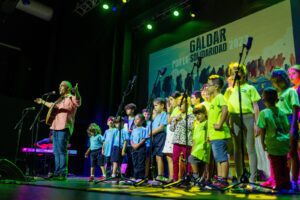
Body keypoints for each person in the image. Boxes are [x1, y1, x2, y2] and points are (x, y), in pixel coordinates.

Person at [34, 81, 81, 181]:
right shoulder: (60, 99)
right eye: (59, 86)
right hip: (55, 127)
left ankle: (63, 173)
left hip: (64, 127)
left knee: (62, 151)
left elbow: (78, 101)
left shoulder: (71, 97)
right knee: (56, 151)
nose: (59, 88)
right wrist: (42, 101)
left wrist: (76, 92)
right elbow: (52, 105)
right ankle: (57, 172)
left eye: (61, 86)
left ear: (67, 88)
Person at [224, 62, 260, 183]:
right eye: (233, 71)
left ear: (243, 73)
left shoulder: (250, 88)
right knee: (237, 149)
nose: (235, 73)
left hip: (248, 117)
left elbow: (255, 106)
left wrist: (257, 123)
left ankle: (253, 179)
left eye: (238, 70)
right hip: (234, 118)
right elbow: (226, 108)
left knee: (250, 148)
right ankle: (240, 177)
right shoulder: (229, 90)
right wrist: (227, 123)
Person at [257, 87, 291, 191]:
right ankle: (286, 184)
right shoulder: (282, 112)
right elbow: (287, 127)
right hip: (284, 142)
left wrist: (262, 142)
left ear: (264, 99)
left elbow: (262, 129)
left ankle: (279, 186)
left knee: (276, 165)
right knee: (284, 164)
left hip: (273, 143)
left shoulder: (264, 113)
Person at [271, 67, 299, 191]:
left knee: (292, 153)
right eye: (274, 81)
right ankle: (284, 181)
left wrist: (293, 127)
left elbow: (295, 108)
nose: (277, 84)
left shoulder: (291, 91)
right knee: (283, 154)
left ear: (284, 79)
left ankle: (294, 181)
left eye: (279, 81)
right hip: (279, 124)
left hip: (289, 121)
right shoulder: (278, 94)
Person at [206, 74, 231, 188]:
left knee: (222, 157)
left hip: (219, 133)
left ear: (216, 87)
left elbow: (225, 109)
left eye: (209, 85)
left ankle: (224, 180)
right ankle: (220, 179)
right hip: (214, 135)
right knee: (218, 158)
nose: (207, 87)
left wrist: (220, 123)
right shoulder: (214, 99)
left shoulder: (220, 97)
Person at [170, 96, 195, 181]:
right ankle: (175, 178)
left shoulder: (191, 115)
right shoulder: (178, 115)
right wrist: (174, 121)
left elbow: (191, 126)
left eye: (181, 105)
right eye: (179, 105)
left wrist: (181, 120)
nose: (180, 107)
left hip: (186, 142)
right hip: (176, 141)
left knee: (188, 161)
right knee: (175, 160)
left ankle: (188, 177)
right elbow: (171, 129)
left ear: (187, 104)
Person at [188, 105, 210, 183]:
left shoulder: (206, 123)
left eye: (199, 114)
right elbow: (194, 139)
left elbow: (209, 134)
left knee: (192, 158)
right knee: (193, 159)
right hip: (197, 147)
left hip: (203, 146)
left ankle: (196, 176)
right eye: (196, 115)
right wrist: (192, 149)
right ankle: (199, 177)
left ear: (204, 113)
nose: (198, 116)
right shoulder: (197, 125)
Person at [151, 97, 168, 182]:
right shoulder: (157, 116)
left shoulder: (164, 114)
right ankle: (157, 175)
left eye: (156, 105)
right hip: (155, 136)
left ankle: (161, 175)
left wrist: (151, 133)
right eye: (154, 106)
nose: (155, 107)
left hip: (161, 135)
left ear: (162, 105)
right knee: (156, 156)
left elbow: (161, 127)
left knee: (159, 155)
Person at [130, 114, 148, 182]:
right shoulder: (133, 130)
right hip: (134, 148)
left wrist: (138, 145)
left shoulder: (144, 129)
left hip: (141, 147)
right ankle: (135, 176)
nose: (135, 120)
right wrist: (133, 145)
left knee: (141, 162)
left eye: (137, 119)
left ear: (142, 121)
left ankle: (140, 177)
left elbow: (144, 138)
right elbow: (131, 139)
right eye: (135, 119)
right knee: (135, 162)